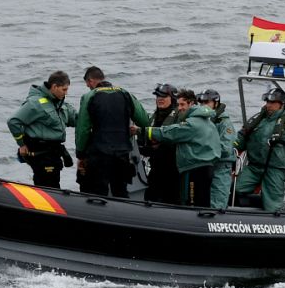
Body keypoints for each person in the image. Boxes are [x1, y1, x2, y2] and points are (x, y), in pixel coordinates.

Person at [74, 66, 151, 199]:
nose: (88, 87)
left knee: (98, 194)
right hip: (122, 154)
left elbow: (83, 130)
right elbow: (144, 121)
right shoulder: (125, 93)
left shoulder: (89, 96)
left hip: (99, 155)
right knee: (121, 192)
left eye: (88, 84)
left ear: (91, 81)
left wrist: (80, 154)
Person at [141, 90, 221, 207]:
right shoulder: (207, 122)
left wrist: (143, 131)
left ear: (192, 104)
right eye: (178, 104)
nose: (179, 108)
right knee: (202, 202)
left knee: (192, 203)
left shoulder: (192, 123)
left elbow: (171, 132)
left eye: (182, 104)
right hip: (206, 168)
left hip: (194, 170)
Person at [234, 86, 285, 213]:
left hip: (275, 169)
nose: (268, 105)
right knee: (236, 189)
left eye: (272, 102)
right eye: (267, 102)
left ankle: (272, 223)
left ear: (281, 104)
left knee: (273, 206)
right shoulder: (258, 121)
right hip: (254, 167)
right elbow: (241, 139)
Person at [7, 70, 75, 188]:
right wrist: (22, 144)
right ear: (54, 86)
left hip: (54, 152)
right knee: (48, 186)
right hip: (41, 153)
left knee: (53, 183)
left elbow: (75, 119)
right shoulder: (35, 103)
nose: (66, 93)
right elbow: (13, 121)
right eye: (64, 89)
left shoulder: (59, 103)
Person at [140, 82, 181, 204]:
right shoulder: (155, 116)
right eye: (157, 96)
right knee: (150, 197)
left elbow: (175, 138)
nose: (159, 99)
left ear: (172, 98)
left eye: (163, 97)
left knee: (170, 199)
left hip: (172, 168)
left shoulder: (179, 116)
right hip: (155, 166)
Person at [198, 89, 238, 209]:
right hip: (206, 165)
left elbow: (225, 148)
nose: (203, 106)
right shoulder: (203, 121)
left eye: (206, 102)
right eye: (201, 103)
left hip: (221, 166)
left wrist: (203, 148)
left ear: (215, 103)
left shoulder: (224, 123)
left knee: (217, 200)